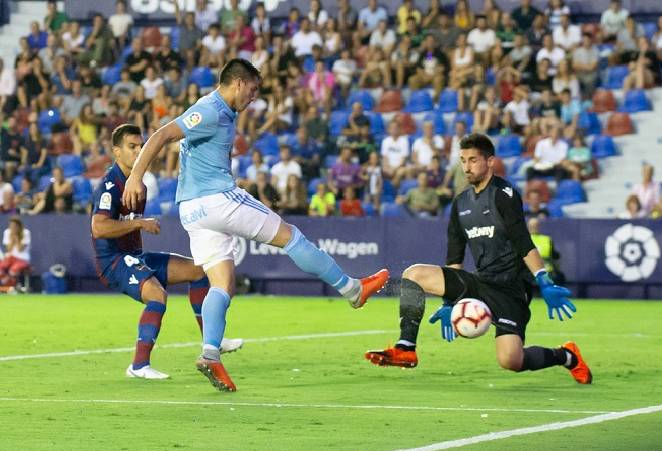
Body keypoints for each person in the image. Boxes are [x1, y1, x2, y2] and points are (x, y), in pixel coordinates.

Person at [122, 59, 390, 392]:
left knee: (222, 283)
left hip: (191, 210)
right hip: (217, 198)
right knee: (292, 238)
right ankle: (352, 289)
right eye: (253, 89)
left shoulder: (220, 111)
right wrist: (135, 177)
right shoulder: (209, 109)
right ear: (237, 83)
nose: (254, 97)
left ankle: (210, 353)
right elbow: (162, 134)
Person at [365, 134, 591, 385]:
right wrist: (449, 301)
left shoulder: (504, 194)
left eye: (473, 160)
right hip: (481, 282)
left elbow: (522, 241)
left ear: (490, 161)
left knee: (510, 361)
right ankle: (405, 347)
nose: (466, 167)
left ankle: (567, 356)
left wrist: (543, 279)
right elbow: (455, 256)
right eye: (463, 160)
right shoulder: (460, 203)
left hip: (511, 288)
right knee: (413, 274)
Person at [91, 124, 243, 378]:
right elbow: (99, 228)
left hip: (134, 257)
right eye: (132, 147)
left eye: (141, 146)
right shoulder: (109, 185)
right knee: (156, 295)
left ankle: (212, 341)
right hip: (113, 261)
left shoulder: (138, 183)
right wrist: (140, 222)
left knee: (199, 271)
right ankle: (139, 366)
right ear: (116, 152)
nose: (139, 151)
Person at [0, 216, 31, 291]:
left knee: (13, 270)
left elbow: (20, 249)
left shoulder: (26, 233)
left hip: (22, 259)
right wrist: (12, 238)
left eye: (14, 226)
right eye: (11, 225)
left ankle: (12, 287)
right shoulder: (7, 232)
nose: (12, 227)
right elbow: (8, 249)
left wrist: (17, 238)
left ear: (19, 226)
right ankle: (8, 287)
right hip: (10, 257)